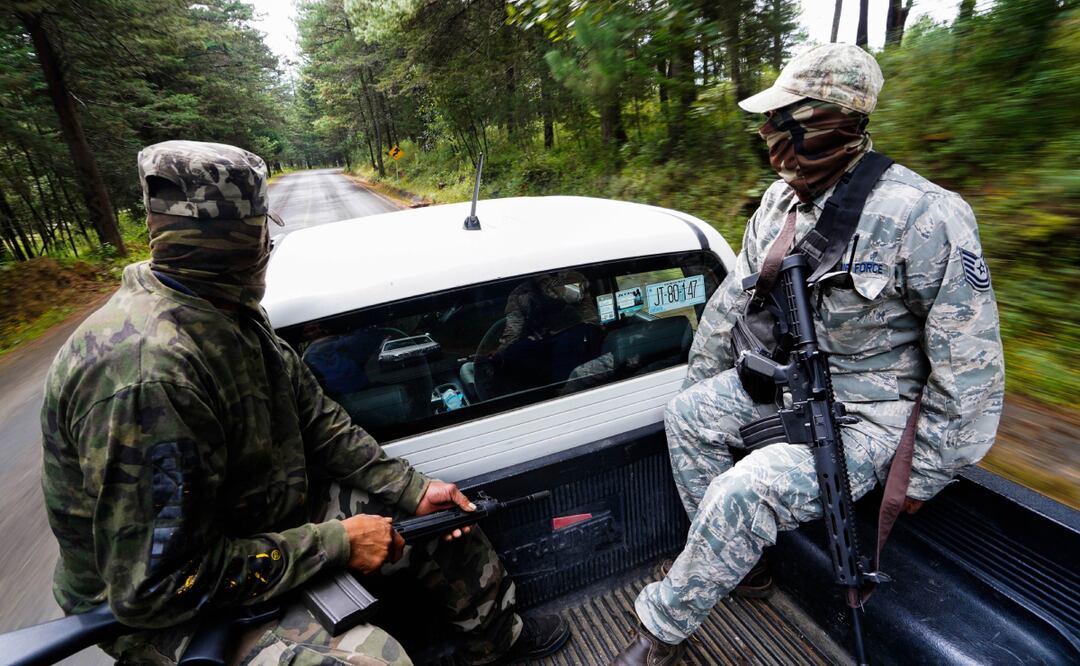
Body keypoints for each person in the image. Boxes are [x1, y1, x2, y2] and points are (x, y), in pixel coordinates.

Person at [40, 141, 569, 665]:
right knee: (373, 660)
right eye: (261, 231)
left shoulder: (225, 312)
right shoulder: (146, 378)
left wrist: (412, 488)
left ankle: (497, 643)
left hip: (254, 524)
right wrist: (336, 543)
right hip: (167, 611)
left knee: (440, 527)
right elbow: (155, 586)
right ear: (247, 244)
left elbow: (318, 421)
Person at [613, 43, 1005, 664]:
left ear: (828, 122)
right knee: (686, 418)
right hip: (790, 383)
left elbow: (971, 362)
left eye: (782, 121)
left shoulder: (924, 216)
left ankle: (659, 632)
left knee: (745, 491)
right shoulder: (778, 203)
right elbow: (731, 305)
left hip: (870, 419)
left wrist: (925, 473)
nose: (768, 136)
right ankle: (738, 566)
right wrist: (700, 386)